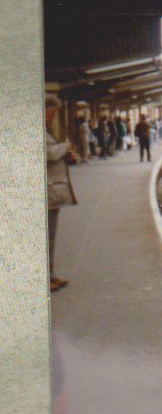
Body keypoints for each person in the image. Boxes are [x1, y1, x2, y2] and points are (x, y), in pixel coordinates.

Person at [45, 94, 76, 291]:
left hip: (51, 191)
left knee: (50, 237)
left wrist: (66, 156)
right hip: (43, 192)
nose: (54, 116)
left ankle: (50, 275)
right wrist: (64, 147)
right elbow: (46, 153)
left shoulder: (45, 130)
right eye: (53, 112)